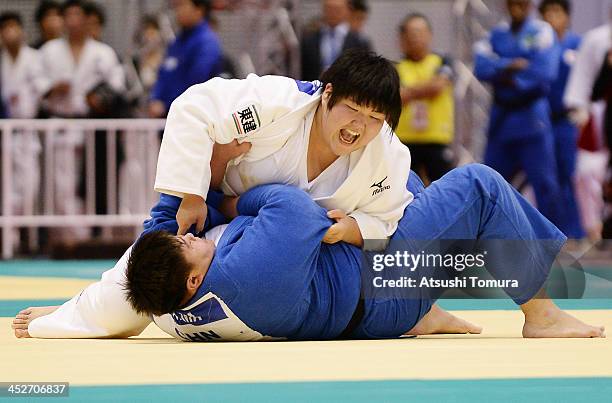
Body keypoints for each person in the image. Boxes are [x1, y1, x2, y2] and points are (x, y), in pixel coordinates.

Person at [12, 164, 605, 340]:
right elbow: (293, 208)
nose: (192, 235)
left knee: (411, 184)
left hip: (367, 305)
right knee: (476, 185)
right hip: (385, 282)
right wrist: (233, 194)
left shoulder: (166, 310)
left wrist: (59, 320)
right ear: (192, 281)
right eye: (188, 245)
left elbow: (116, 297)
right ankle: (542, 313)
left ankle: (432, 314)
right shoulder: (249, 270)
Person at [155, 49, 411, 248]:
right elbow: (193, 107)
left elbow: (387, 223)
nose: (360, 125)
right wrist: (192, 196)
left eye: (375, 118)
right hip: (204, 202)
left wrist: (353, 230)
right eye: (353, 109)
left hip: (288, 245)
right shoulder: (278, 102)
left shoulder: (388, 154)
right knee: (130, 293)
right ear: (328, 94)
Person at [474, 0, 564, 230]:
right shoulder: (495, 34)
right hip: (502, 121)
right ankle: (487, 240)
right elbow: (481, 67)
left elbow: (544, 71)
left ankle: (549, 241)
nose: (517, 4)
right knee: (489, 184)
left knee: (545, 185)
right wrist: (511, 65)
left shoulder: (542, 32)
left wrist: (502, 73)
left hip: (533, 120)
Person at [538, 0, 584, 239]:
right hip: (540, 122)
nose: (552, 17)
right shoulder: (537, 45)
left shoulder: (578, 45)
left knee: (569, 176)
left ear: (567, 17)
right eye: (547, 13)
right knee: (546, 180)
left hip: (567, 121)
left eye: (557, 12)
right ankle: (549, 233)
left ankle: (574, 233)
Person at [395, 13, 455, 183]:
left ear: (430, 34)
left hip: (436, 139)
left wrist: (410, 90)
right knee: (405, 191)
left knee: (444, 190)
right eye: (411, 33)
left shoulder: (442, 61)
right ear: (402, 38)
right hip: (404, 141)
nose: (416, 38)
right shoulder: (395, 66)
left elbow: (438, 87)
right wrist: (425, 88)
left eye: (420, 32)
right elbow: (397, 97)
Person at [147, 0, 223, 118]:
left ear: (199, 9)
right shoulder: (177, 42)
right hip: (167, 117)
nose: (177, 11)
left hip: (193, 118)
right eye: (176, 6)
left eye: (182, 5)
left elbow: (196, 82)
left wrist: (166, 104)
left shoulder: (207, 42)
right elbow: (163, 73)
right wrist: (155, 98)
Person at [300, 0, 371, 81]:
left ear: (347, 10)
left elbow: (365, 72)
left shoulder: (359, 41)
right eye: (329, 9)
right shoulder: (309, 40)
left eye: (337, 9)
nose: (333, 13)